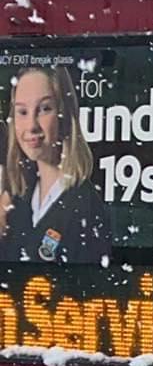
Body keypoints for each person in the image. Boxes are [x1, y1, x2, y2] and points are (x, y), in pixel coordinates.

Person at [0, 64, 110, 265]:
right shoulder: (16, 203)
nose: (31, 125)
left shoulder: (85, 207)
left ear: (64, 115)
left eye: (44, 109)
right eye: (22, 112)